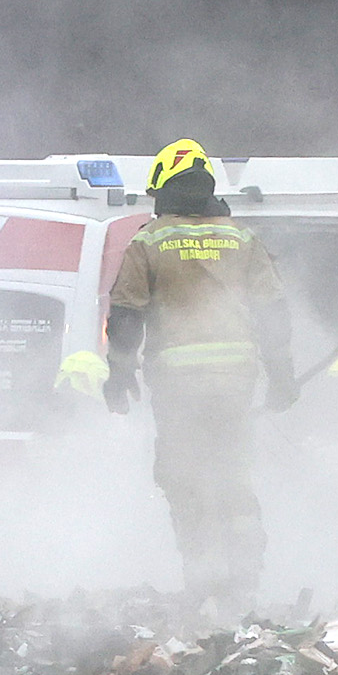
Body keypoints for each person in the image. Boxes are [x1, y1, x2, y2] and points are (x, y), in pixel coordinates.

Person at [70, 139, 299, 610]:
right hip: (235, 382)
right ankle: (245, 584)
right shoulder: (242, 240)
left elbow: (128, 313)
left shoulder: (149, 242)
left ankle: (202, 580)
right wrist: (282, 375)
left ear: (164, 191)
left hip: (178, 387)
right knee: (234, 474)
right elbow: (273, 312)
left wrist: (119, 374)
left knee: (184, 476)